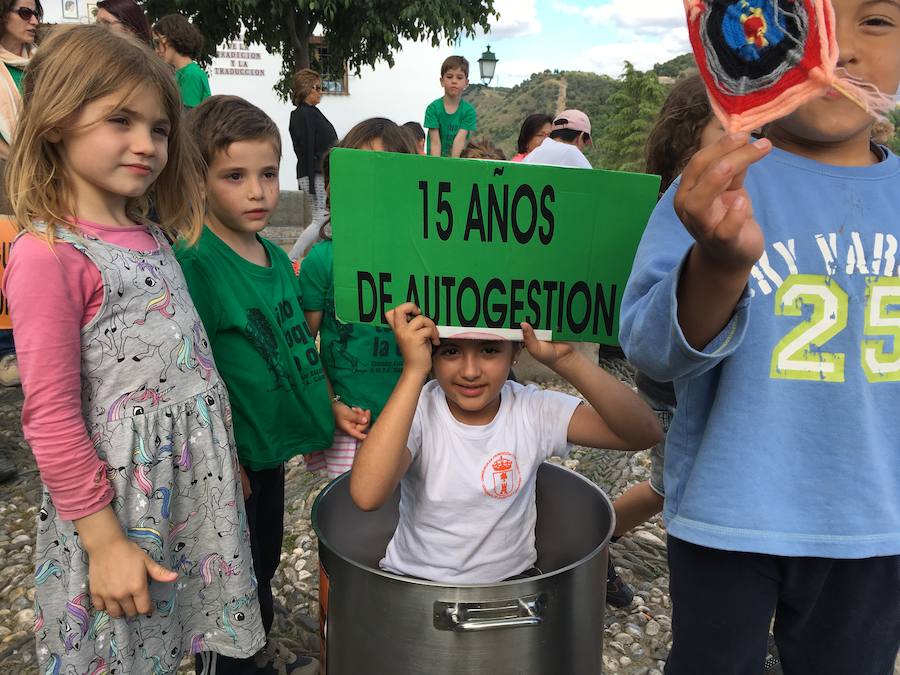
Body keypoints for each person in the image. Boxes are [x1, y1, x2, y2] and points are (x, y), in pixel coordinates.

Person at [619, 0, 900, 672]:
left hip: (874, 525)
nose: (837, 50)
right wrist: (718, 263)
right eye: (807, 20)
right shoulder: (717, 187)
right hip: (727, 514)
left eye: (876, 21)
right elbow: (651, 353)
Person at [2, 25, 265, 672]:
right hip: (121, 504)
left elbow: (187, 365)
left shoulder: (151, 233)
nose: (146, 143)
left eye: (159, 128)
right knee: (126, 648)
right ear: (58, 119)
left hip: (191, 487)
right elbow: (52, 416)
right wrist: (104, 540)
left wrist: (218, 457)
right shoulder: (48, 255)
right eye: (120, 119)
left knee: (190, 630)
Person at [177, 95, 332, 675]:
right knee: (227, 578)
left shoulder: (271, 253)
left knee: (263, 558)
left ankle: (254, 652)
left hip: (265, 455)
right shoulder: (197, 262)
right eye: (234, 176)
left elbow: (296, 352)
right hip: (226, 461)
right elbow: (190, 372)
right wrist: (219, 460)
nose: (258, 191)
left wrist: (326, 413)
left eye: (268, 174)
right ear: (199, 179)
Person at [349, 304, 662, 583]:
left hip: (510, 588)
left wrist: (567, 359)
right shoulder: (417, 410)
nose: (470, 372)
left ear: (516, 352)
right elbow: (367, 494)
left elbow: (643, 432)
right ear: (431, 355)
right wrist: (412, 372)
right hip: (413, 582)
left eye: (489, 350)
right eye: (450, 351)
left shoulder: (532, 409)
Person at [607, 74, 726, 608]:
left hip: (682, 385)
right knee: (673, 490)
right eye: (729, 126)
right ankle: (585, 539)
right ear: (691, 138)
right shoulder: (686, 202)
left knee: (665, 487)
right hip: (678, 389)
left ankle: (588, 538)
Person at [299, 118, 416, 478]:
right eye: (358, 172)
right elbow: (304, 346)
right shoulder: (322, 260)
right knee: (351, 522)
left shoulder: (424, 264)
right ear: (335, 186)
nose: (371, 188)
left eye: (384, 174)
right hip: (354, 425)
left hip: (417, 422)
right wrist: (332, 403)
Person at [288, 68, 337, 236]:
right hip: (314, 173)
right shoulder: (304, 114)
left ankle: (310, 257)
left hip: (316, 172)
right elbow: (307, 147)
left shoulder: (311, 113)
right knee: (320, 219)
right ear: (306, 89)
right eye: (317, 88)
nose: (320, 92)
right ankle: (292, 258)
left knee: (321, 219)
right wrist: (310, 180)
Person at [152, 14, 209, 109]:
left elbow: (187, 118)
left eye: (157, 43)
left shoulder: (190, 74)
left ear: (171, 40)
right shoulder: (182, 73)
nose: (156, 50)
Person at [424, 55, 476, 158]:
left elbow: (459, 141)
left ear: (466, 83)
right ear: (442, 81)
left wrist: (453, 167)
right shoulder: (433, 109)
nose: (454, 81)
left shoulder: (469, 111)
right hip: (435, 162)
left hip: (458, 163)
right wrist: (437, 166)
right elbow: (435, 143)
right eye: (449, 76)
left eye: (459, 77)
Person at [523, 109, 593, 169]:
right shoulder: (571, 152)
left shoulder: (530, 156)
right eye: (585, 143)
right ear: (581, 137)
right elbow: (593, 181)